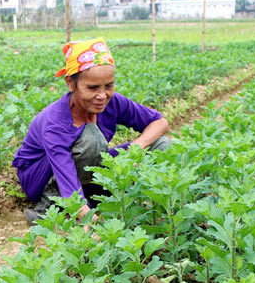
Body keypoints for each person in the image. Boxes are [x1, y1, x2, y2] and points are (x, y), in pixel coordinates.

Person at [12, 37, 170, 224]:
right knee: (91, 139)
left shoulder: (113, 101)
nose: (102, 95)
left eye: (109, 85)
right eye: (92, 87)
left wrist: (136, 147)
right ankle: (50, 206)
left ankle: (96, 196)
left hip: (85, 166)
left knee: (161, 144)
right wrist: (91, 223)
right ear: (71, 84)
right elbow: (65, 173)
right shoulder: (56, 122)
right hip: (41, 176)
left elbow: (160, 123)